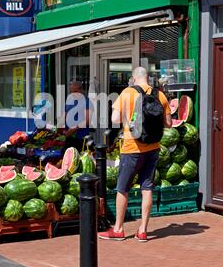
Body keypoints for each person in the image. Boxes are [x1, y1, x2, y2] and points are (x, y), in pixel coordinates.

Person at [98, 67, 172, 242]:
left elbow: (115, 119)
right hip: (153, 147)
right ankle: (143, 231)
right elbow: (168, 123)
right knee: (147, 188)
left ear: (133, 78)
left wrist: (126, 118)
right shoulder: (160, 95)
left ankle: (118, 229)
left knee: (122, 189)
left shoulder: (127, 93)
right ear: (148, 78)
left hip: (131, 148)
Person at [62, 81, 93, 153]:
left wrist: (72, 130)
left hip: (81, 138)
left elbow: (87, 121)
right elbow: (65, 114)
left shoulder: (87, 102)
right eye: (71, 92)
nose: (73, 94)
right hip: (69, 137)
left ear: (81, 90)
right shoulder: (69, 100)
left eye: (75, 91)